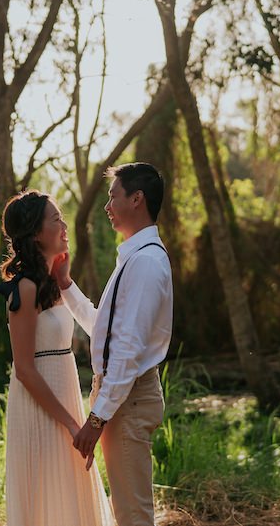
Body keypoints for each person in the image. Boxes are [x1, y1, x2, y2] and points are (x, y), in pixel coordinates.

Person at [52, 162, 173, 526]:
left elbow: (128, 351)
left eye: (113, 197)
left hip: (129, 399)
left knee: (133, 515)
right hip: (123, 398)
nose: (107, 206)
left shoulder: (147, 263)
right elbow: (105, 333)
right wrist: (66, 285)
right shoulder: (134, 258)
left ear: (137, 199)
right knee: (127, 510)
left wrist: (96, 417)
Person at [0, 190, 115, 526]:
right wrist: (69, 423)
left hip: (66, 397)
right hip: (39, 409)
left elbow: (96, 327)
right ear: (36, 232)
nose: (64, 225)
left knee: (71, 493)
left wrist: (64, 280)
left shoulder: (53, 283)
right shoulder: (24, 288)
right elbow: (24, 369)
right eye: (56, 219)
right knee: (46, 496)